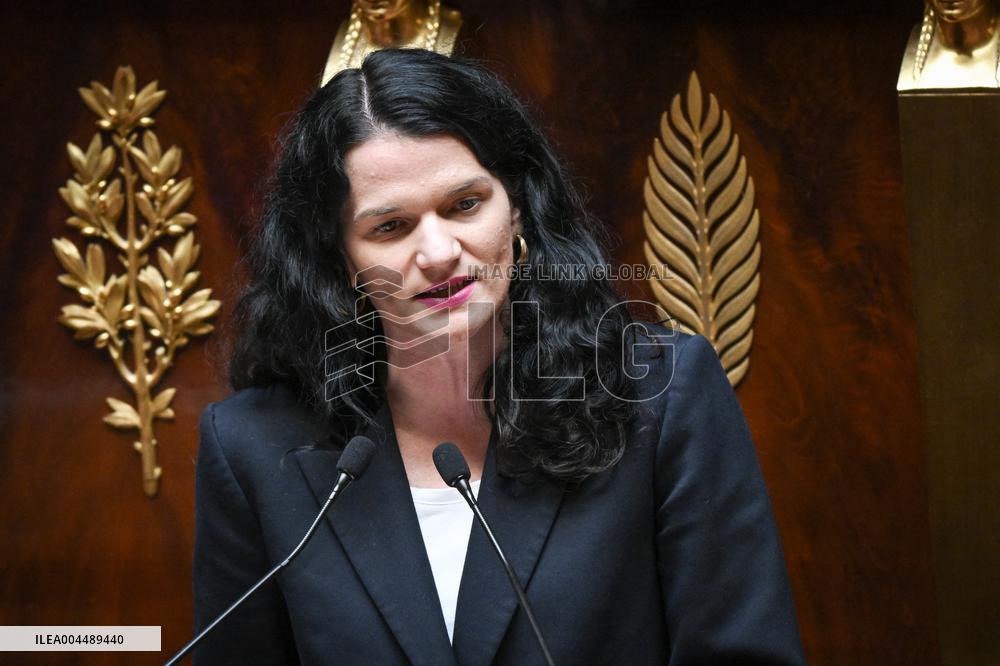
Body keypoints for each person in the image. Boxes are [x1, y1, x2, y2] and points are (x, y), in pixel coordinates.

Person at [192, 48, 805, 665]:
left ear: (518, 205)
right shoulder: (252, 446)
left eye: (464, 204)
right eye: (390, 227)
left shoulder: (661, 397)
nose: (437, 251)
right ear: (338, 259)